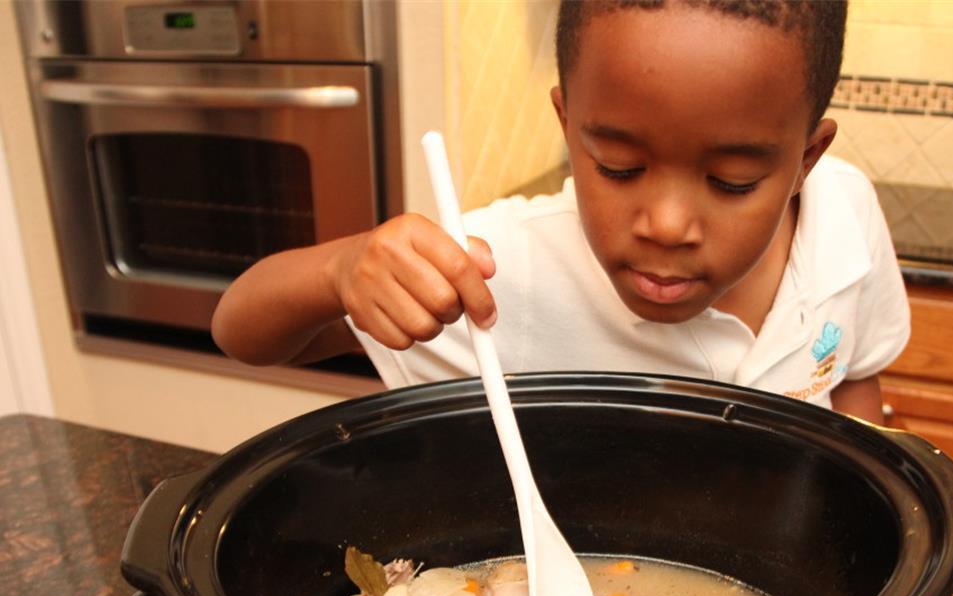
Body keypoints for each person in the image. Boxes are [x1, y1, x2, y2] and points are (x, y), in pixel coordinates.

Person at [212, 0, 909, 424]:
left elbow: (852, 377)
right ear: (567, 124)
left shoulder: (844, 213)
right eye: (618, 168)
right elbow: (242, 331)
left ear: (805, 162)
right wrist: (339, 269)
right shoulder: (503, 272)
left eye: (732, 181)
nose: (666, 224)